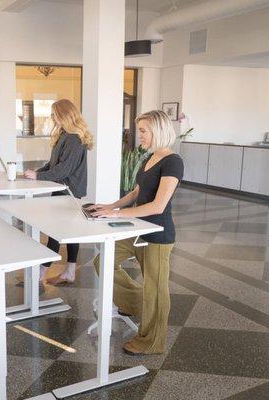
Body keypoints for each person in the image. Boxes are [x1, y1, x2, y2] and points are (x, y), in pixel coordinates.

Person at [88, 110, 184, 356]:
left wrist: (118, 215)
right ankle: (135, 303)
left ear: (158, 130)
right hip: (138, 229)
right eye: (139, 130)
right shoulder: (148, 158)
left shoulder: (172, 161)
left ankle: (152, 342)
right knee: (103, 262)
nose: (138, 135)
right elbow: (135, 193)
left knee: (156, 289)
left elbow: (158, 205)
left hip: (158, 235)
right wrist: (108, 207)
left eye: (143, 131)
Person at [24, 99, 93, 284]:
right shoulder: (65, 135)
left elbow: (64, 170)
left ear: (63, 115)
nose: (52, 117)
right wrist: (37, 173)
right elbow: (54, 164)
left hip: (68, 190)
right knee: (69, 230)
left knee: (55, 231)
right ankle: (68, 272)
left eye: (54, 114)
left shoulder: (73, 138)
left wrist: (38, 177)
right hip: (62, 188)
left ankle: (41, 272)